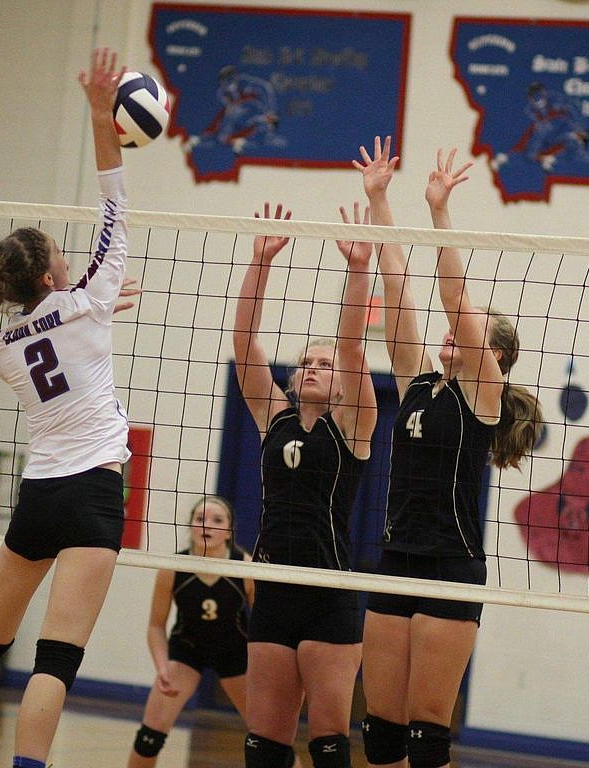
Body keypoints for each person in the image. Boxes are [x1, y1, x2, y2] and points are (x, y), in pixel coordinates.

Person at [0, 48, 133, 768]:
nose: (71, 257)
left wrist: (98, 309)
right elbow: (114, 196)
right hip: (93, 494)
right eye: (60, 253)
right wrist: (99, 111)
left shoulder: (7, 343)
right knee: (56, 658)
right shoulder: (89, 300)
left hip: (39, 492)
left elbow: (67, 326)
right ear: (50, 272)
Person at [353, 136, 542, 768]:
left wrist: (440, 213)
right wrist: (380, 198)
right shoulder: (416, 383)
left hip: (450, 568)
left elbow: (454, 300)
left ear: (495, 355)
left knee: (425, 737)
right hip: (395, 558)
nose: (454, 329)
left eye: (471, 331)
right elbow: (397, 284)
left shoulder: (483, 396)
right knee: (379, 733)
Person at [233, 202, 378, 768]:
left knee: (326, 744)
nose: (316, 366)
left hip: (329, 594)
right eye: (307, 362)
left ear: (341, 379)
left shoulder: (354, 423)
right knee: (264, 745)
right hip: (272, 586)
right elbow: (245, 343)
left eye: (325, 362)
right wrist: (260, 264)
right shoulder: (275, 416)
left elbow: (351, 346)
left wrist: (358, 269)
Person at [127, 495, 255, 767]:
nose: (207, 525)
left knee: (270, 742)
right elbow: (155, 625)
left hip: (235, 654)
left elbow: (267, 626)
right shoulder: (173, 567)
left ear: (229, 531)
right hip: (187, 650)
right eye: (200, 519)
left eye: (217, 520)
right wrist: (162, 666)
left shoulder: (245, 566)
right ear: (190, 526)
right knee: (147, 740)